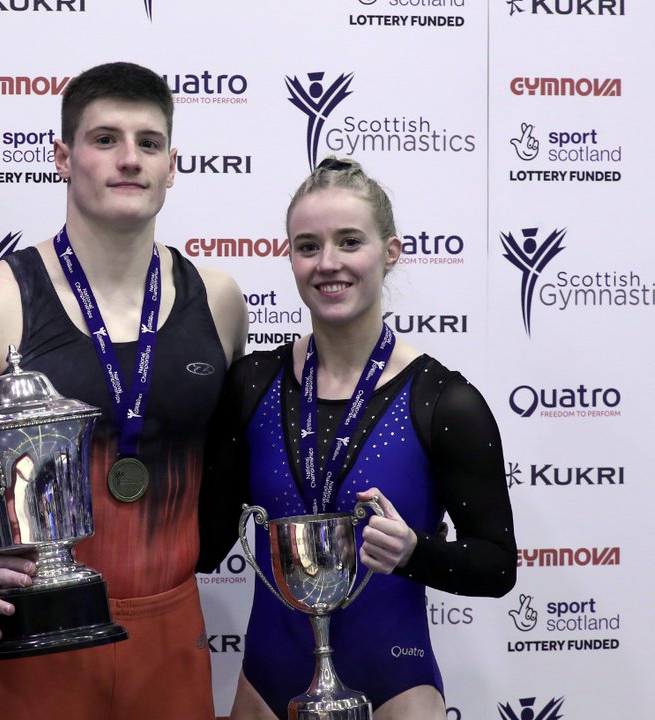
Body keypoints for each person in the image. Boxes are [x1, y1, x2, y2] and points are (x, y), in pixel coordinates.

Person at [0, 61, 247, 720]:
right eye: (105, 139)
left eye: (148, 142)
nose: (129, 159)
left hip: (173, 643)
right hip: (39, 643)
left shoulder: (218, 301)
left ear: (172, 165)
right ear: (63, 157)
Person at [198, 157, 517, 720]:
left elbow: (496, 566)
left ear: (390, 252)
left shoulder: (444, 403)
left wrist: (415, 552)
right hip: (267, 690)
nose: (328, 263)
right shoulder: (250, 386)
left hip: (396, 689)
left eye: (349, 242)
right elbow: (204, 547)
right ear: (290, 257)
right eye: (308, 246)